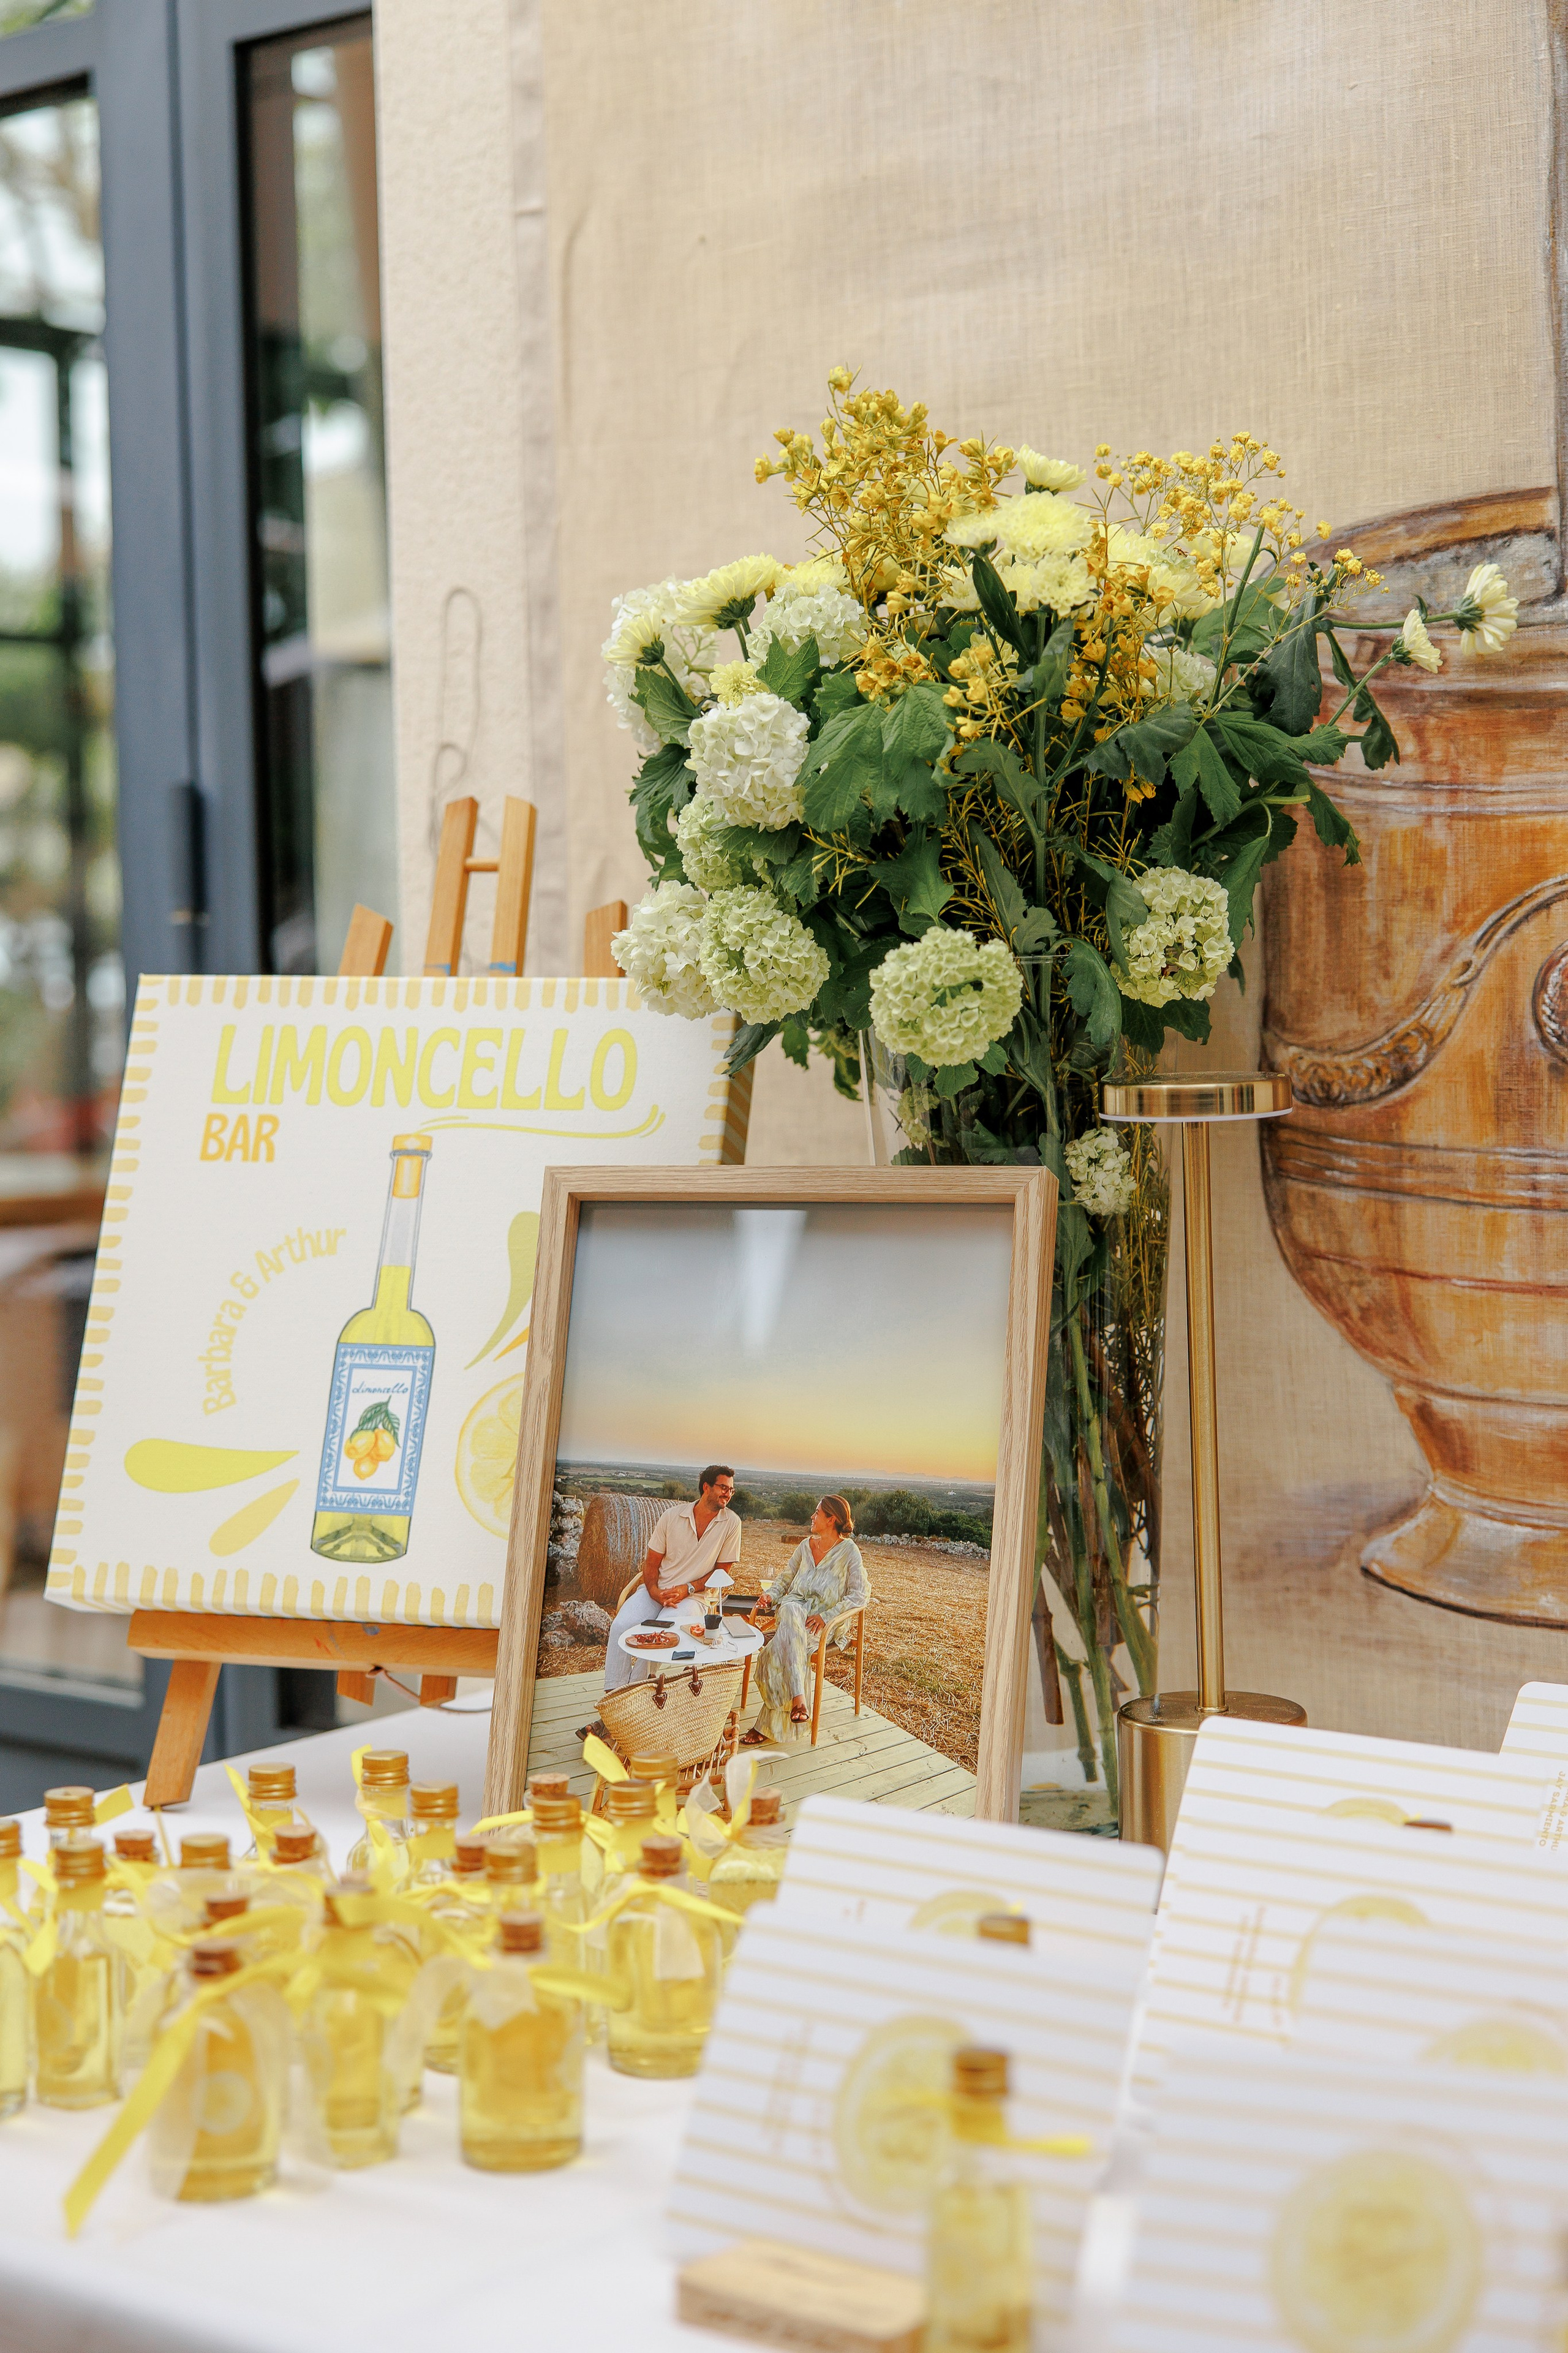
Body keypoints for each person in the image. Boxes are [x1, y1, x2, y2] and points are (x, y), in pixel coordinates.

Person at [603, 1465, 742, 1694]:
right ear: (706, 1487)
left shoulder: (732, 1523)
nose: (728, 1493)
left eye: (731, 1490)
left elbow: (722, 1573)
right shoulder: (671, 1516)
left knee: (662, 1633)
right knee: (621, 1625)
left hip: (694, 1598)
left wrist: (688, 1588)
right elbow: (651, 1565)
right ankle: (613, 1695)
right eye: (723, 1488)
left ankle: (630, 1697)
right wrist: (654, 1592)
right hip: (657, 1591)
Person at [746, 1496, 868, 1743]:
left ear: (831, 1519)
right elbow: (785, 1578)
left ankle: (768, 1725)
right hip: (794, 1616)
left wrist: (827, 1616)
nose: (812, 1517)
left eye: (817, 1513)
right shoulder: (805, 1546)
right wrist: (770, 1596)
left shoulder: (849, 1552)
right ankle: (799, 1700)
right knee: (791, 1609)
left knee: (771, 1654)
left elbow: (860, 1595)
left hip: (823, 1624)